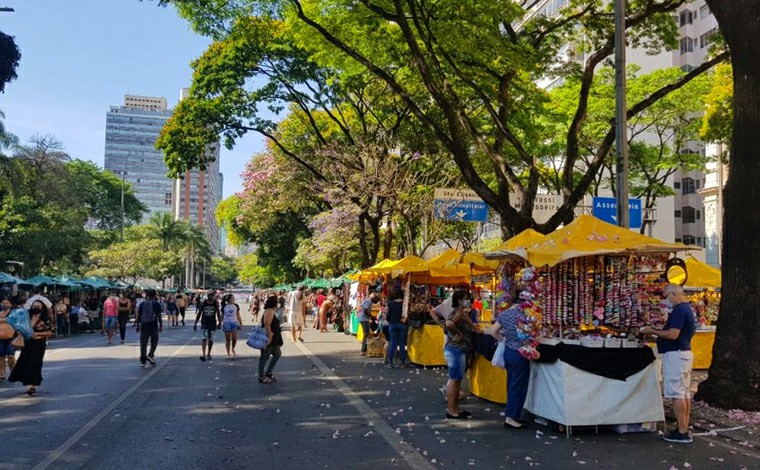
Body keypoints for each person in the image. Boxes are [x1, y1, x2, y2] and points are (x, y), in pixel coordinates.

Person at [640, 283, 696, 444]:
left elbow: (672, 335)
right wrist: (656, 337)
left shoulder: (679, 310)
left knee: (677, 393)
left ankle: (682, 431)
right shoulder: (686, 309)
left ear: (672, 294)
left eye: (665, 296)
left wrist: (652, 331)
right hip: (682, 354)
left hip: (676, 356)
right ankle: (683, 427)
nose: (665, 301)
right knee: (683, 393)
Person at [489, 290, 530, 429]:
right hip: (520, 353)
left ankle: (513, 414)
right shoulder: (525, 315)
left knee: (511, 383)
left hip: (508, 352)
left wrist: (504, 340)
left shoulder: (504, 314)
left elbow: (493, 331)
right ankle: (511, 417)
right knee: (518, 386)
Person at [436, 290, 475, 420]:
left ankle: (455, 408)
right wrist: (459, 333)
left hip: (457, 349)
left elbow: (467, 322)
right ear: (459, 301)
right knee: (454, 379)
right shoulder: (457, 313)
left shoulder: (461, 313)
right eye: (466, 298)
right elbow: (449, 323)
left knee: (457, 380)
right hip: (455, 350)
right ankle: (452, 410)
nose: (468, 300)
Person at [9, 299, 54, 396]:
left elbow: (50, 332)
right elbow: (19, 326)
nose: (36, 308)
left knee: (35, 364)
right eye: (34, 306)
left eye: (38, 306)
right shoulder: (26, 316)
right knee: (25, 362)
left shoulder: (45, 318)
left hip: (39, 344)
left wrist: (37, 333)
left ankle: (32, 386)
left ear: (42, 308)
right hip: (27, 343)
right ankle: (27, 382)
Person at [258, 295, 283, 384]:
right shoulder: (269, 311)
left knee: (277, 354)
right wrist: (270, 336)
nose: (279, 303)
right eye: (277, 301)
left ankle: (268, 372)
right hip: (269, 338)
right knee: (264, 357)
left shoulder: (272, 311)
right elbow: (267, 324)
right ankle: (261, 376)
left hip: (274, 339)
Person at [135, 290, 163, 367]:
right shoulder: (156, 304)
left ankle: (143, 361)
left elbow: (139, 315)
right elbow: (159, 316)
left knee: (143, 343)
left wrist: (137, 325)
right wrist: (160, 325)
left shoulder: (142, 304)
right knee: (154, 341)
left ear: (147, 295)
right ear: (154, 296)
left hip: (144, 326)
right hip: (153, 325)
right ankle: (150, 354)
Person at [194, 291, 222, 361]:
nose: (212, 298)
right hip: (204, 323)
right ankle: (203, 354)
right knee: (204, 338)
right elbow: (199, 313)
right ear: (208, 297)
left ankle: (208, 353)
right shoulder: (203, 303)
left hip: (212, 323)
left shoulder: (216, 303)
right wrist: (195, 323)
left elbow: (218, 313)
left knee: (210, 339)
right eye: (210, 297)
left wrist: (220, 322)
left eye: (213, 297)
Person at [386, 288, 408, 368]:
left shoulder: (391, 303)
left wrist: (389, 321)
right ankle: (403, 362)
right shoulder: (404, 304)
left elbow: (388, 315)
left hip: (393, 324)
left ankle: (390, 362)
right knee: (402, 344)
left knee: (393, 343)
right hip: (402, 325)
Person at [221, 294, 243, 359]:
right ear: (229, 300)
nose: (234, 299)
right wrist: (219, 323)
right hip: (226, 323)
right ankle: (228, 353)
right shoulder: (224, 306)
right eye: (233, 298)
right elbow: (222, 316)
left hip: (234, 323)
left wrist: (241, 323)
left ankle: (232, 348)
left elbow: (238, 315)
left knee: (234, 339)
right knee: (227, 339)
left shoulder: (236, 306)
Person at [0, 298, 16, 381]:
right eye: (3, 303)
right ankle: (2, 373)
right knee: (1, 356)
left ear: (10, 305)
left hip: (11, 337)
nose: (4, 304)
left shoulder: (13, 313)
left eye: (6, 303)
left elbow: (16, 322)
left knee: (11, 355)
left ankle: (13, 371)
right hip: (0, 337)